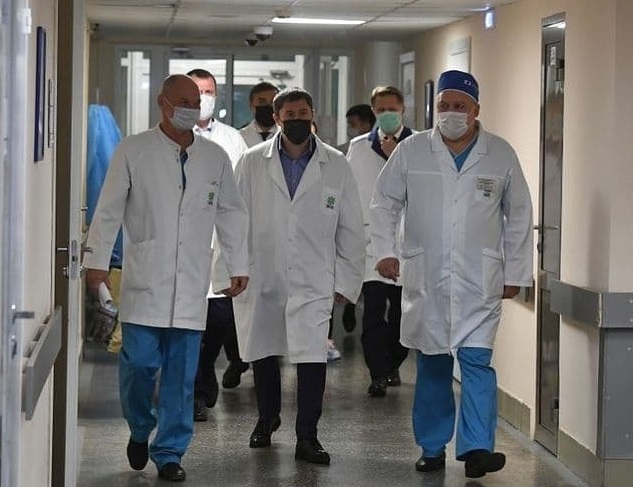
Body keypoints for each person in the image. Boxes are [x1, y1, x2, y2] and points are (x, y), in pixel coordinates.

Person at [83, 74, 249, 482]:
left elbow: (231, 213)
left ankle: (170, 452)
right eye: (183, 101)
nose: (192, 108)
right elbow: (108, 209)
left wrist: (237, 264)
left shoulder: (214, 157)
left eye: (196, 101)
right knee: (139, 365)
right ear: (163, 102)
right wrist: (96, 262)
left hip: (192, 286)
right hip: (146, 282)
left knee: (181, 378)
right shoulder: (133, 150)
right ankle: (140, 427)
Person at [369, 70, 533, 479]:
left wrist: (516, 271)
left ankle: (477, 448)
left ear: (476, 110)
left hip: (480, 279)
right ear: (435, 108)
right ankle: (432, 446)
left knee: (477, 361)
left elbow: (519, 216)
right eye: (444, 106)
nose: (451, 113)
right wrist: (385, 251)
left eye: (460, 106)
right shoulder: (411, 150)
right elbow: (384, 203)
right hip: (427, 276)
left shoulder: (500, 153)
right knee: (434, 364)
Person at [222, 88, 365, 465]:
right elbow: (233, 219)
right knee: (264, 351)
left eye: (303, 113)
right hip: (263, 272)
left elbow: (351, 226)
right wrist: (232, 268)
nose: (297, 119)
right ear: (277, 118)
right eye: (290, 114)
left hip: (314, 276)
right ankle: (266, 419)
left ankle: (308, 435)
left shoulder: (336, 164)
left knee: (312, 356)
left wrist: (347, 282)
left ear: (313, 114)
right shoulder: (252, 161)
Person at [186, 68, 250, 422]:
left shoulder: (231, 139)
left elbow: (240, 198)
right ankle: (197, 392)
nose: (203, 98)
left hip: (220, 248)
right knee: (189, 328)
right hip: (185, 250)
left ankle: (205, 370)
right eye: (197, 91)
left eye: (208, 91)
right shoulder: (171, 138)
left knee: (218, 323)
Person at [347, 86, 414, 398]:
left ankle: (391, 363)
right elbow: (350, 193)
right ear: (373, 111)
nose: (387, 114)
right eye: (381, 109)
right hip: (371, 243)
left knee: (403, 318)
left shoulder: (418, 145)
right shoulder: (359, 147)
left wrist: (394, 157)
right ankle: (377, 374)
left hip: (408, 244)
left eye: (393, 109)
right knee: (373, 315)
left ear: (403, 110)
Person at [335, 103, 376, 335]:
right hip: (356, 219)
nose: (350, 129)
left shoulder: (401, 146)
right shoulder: (350, 149)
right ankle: (350, 303)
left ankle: (351, 303)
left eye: (353, 124)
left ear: (365, 122)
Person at [240, 81, 280, 147]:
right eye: (262, 102)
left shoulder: (288, 137)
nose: (268, 106)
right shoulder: (239, 137)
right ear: (251, 106)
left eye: (273, 102)